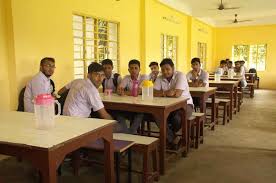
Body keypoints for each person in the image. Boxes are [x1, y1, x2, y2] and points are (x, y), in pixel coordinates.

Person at [153, 58, 194, 149]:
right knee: (156, 115)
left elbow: (177, 94)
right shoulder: (160, 78)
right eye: (163, 70)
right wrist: (166, 93)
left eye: (167, 69)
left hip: (186, 105)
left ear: (173, 68)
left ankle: (168, 138)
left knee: (177, 119)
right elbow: (153, 93)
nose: (165, 72)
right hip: (167, 106)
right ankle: (174, 139)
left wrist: (163, 93)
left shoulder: (180, 75)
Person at [117, 59, 148, 134]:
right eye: (131, 68)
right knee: (118, 113)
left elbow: (138, 92)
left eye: (136, 68)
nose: (133, 70)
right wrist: (125, 92)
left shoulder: (144, 77)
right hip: (129, 105)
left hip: (142, 106)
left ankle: (130, 133)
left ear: (139, 69)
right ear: (128, 70)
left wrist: (125, 92)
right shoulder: (126, 78)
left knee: (139, 113)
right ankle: (127, 131)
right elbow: (119, 90)